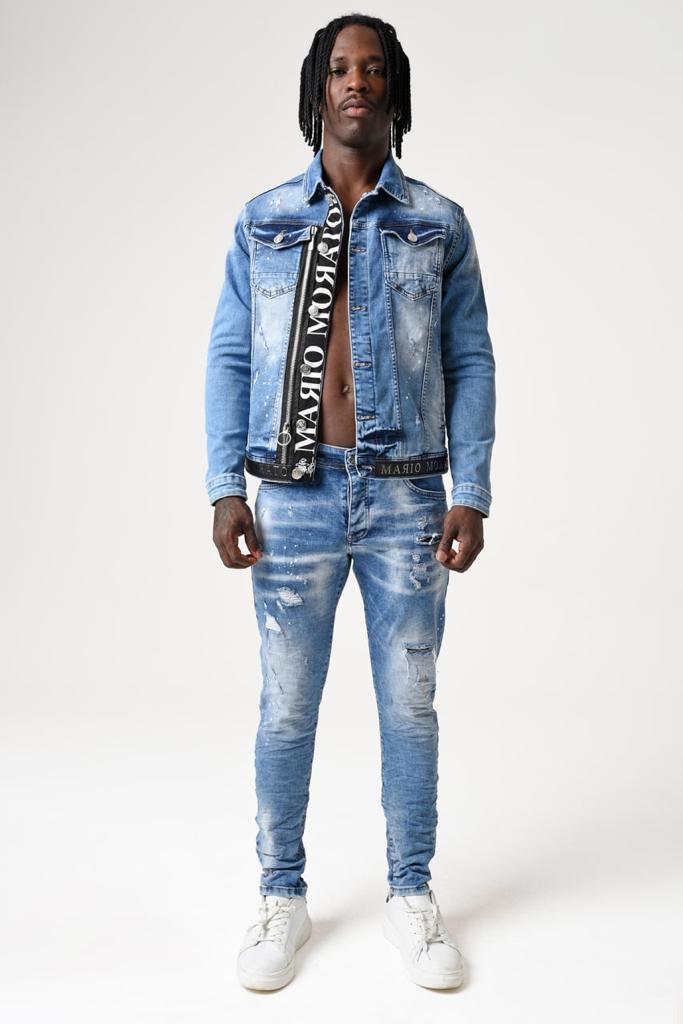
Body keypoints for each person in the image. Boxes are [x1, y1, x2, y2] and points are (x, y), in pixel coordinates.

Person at [204, 13, 496, 992]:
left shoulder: (438, 222)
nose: (355, 81)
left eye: (372, 68)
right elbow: (230, 355)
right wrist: (223, 486)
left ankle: (409, 893)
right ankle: (280, 894)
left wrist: (471, 490)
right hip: (290, 496)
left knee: (409, 705)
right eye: (339, 68)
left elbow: (470, 359)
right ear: (316, 90)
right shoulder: (263, 220)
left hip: (409, 495)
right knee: (286, 704)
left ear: (393, 89)